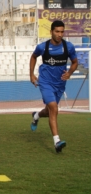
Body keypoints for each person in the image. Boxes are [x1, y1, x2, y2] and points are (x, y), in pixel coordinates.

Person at [30, 20, 78, 153]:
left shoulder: (68, 47)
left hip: (59, 84)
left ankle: (36, 116)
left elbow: (75, 62)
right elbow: (33, 57)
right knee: (54, 107)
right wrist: (32, 75)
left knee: (50, 110)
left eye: (62, 32)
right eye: (57, 31)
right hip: (45, 82)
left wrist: (69, 73)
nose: (59, 34)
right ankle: (57, 141)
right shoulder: (42, 47)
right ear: (51, 32)